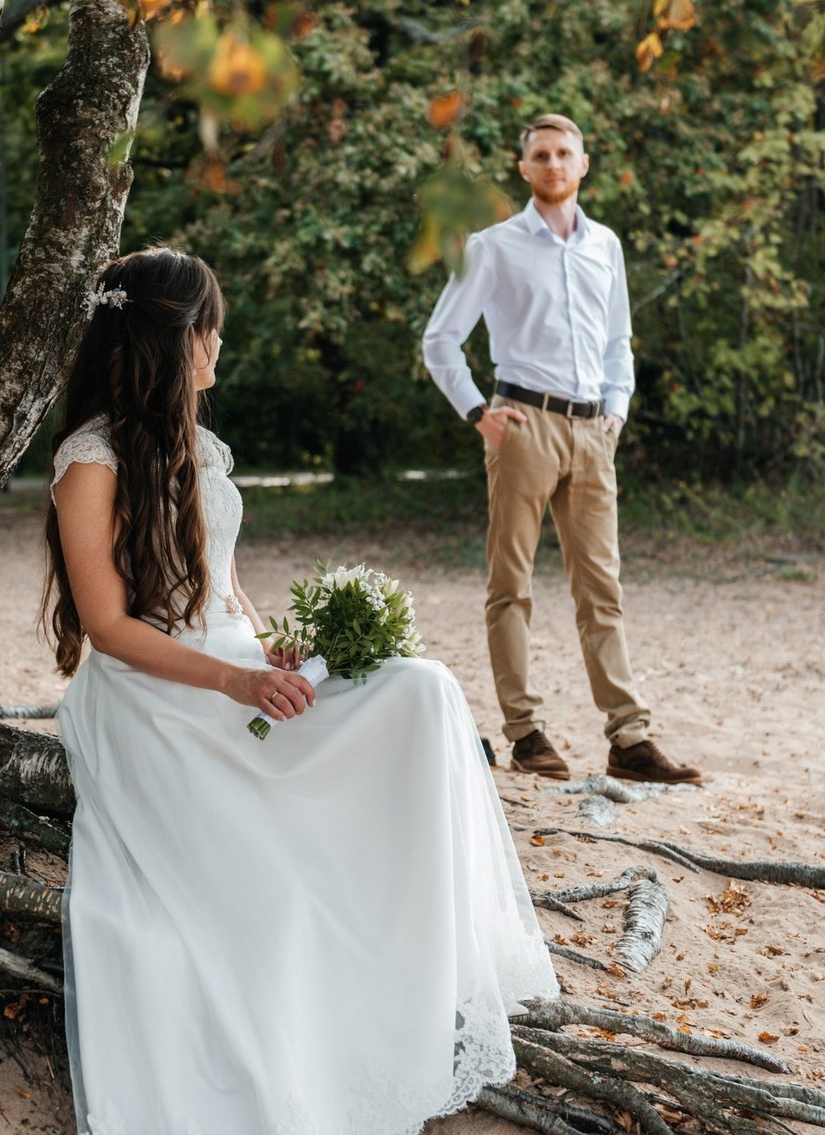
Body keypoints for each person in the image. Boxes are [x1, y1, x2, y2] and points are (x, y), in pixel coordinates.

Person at [45, 247, 558, 1135]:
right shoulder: (90, 460)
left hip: (239, 667)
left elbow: (223, 587)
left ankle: (426, 964)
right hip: (156, 695)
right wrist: (234, 676)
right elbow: (109, 626)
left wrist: (274, 645)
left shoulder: (201, 446)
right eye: (210, 334)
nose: (218, 351)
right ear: (172, 342)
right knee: (273, 879)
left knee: (421, 690)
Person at [422, 114, 702, 786]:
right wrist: (480, 415)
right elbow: (441, 339)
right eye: (540, 155)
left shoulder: (605, 245)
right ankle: (525, 733)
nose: (553, 164)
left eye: (564, 154)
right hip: (525, 426)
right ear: (524, 169)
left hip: (591, 434)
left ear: (583, 165)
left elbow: (618, 342)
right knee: (510, 585)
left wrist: (616, 411)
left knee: (601, 588)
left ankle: (628, 739)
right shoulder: (493, 247)